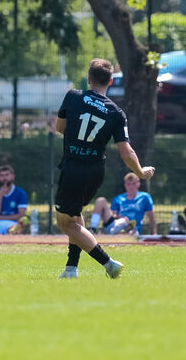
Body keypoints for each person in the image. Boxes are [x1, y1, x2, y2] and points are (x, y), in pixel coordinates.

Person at [54, 58, 154, 280]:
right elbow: (126, 153)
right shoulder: (116, 113)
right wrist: (140, 172)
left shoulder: (73, 96)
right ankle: (71, 268)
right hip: (95, 171)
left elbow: (60, 127)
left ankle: (108, 263)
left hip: (73, 168)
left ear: (89, 79)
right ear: (110, 81)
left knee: (64, 223)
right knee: (75, 215)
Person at [89, 172, 155, 235]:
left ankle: (114, 234)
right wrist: (121, 217)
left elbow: (151, 218)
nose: (131, 186)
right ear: (125, 185)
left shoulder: (144, 197)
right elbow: (114, 216)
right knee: (101, 200)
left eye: (134, 183)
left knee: (129, 229)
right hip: (116, 224)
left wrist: (154, 234)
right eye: (128, 184)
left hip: (132, 229)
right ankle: (93, 230)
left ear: (138, 184)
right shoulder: (118, 198)